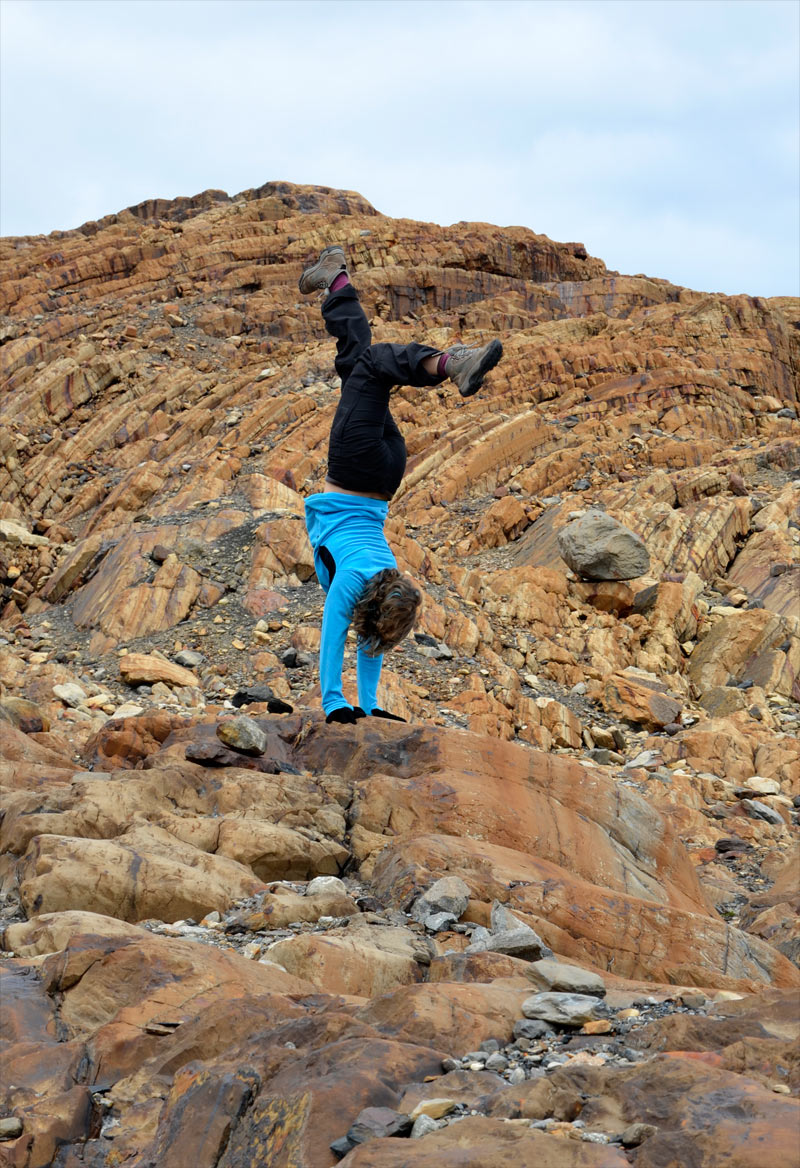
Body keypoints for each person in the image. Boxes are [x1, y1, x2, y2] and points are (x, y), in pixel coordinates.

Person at [299, 245, 503, 724]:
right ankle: (453, 364)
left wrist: (367, 709)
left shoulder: (385, 572)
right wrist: (335, 703)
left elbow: (367, 634)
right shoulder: (353, 583)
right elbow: (341, 638)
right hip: (353, 470)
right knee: (370, 367)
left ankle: (336, 282)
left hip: (387, 472)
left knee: (360, 368)